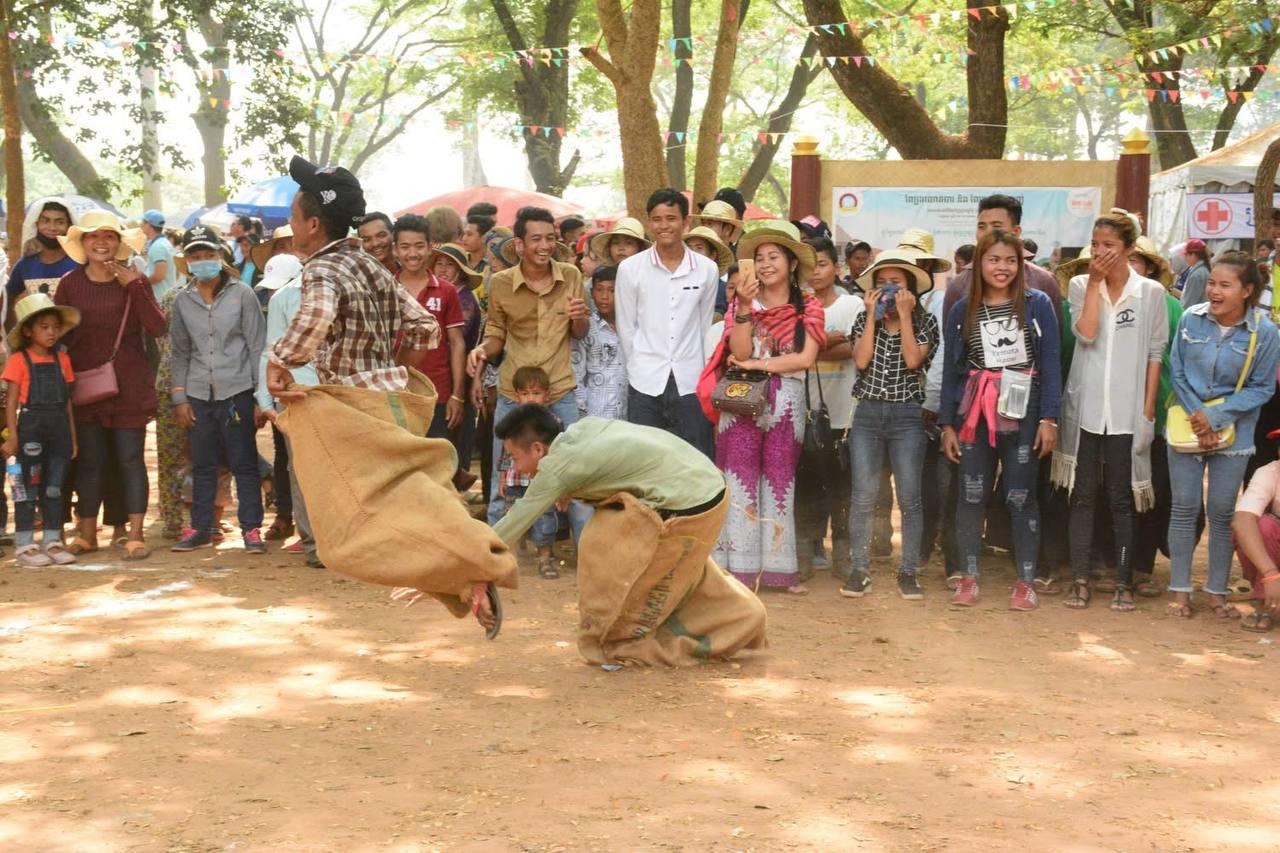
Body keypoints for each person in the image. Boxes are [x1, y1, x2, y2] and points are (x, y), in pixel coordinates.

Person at [491, 405, 767, 665]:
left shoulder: (557, 468)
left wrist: (475, 552)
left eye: (514, 458)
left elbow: (516, 521)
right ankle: (745, 618)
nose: (514, 468)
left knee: (628, 613)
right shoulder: (583, 429)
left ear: (538, 449)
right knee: (683, 579)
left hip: (689, 504)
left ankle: (639, 647)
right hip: (707, 485)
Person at [939, 230, 1062, 611]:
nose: (1003, 268)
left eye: (1011, 260)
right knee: (971, 495)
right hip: (974, 413)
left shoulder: (1037, 304)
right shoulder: (963, 309)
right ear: (979, 264)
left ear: (1021, 264)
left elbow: (1052, 362)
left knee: (1020, 496)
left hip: (1024, 413)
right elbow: (952, 369)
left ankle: (1025, 582)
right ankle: (968, 575)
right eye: (994, 260)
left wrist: (1049, 419)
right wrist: (947, 423)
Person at [1052, 212, 1168, 612]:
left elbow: (1155, 355)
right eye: (1095, 244)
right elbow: (1086, 334)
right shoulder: (1082, 285)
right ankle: (1080, 580)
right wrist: (1097, 283)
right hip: (1085, 409)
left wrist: (1148, 411)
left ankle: (1123, 581)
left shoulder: (1150, 292)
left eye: (1109, 246)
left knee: (1121, 498)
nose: (1099, 252)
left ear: (1129, 249)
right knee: (1081, 496)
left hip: (1127, 412)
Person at [709, 222, 824, 594]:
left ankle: (779, 570)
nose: (765, 264)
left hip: (786, 401)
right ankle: (737, 571)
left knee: (779, 484)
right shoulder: (742, 303)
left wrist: (760, 366)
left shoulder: (809, 305)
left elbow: (804, 358)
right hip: (741, 399)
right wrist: (743, 307)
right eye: (759, 258)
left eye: (774, 257)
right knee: (739, 483)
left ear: (792, 263)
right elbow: (738, 353)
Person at [267, 156, 439, 398]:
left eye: (293, 217)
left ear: (313, 224)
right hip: (387, 404)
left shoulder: (320, 268)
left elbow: (318, 316)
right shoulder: (370, 264)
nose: (290, 224)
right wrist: (391, 375)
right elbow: (425, 326)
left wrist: (278, 362)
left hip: (349, 404)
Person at [1166, 252, 1279, 619]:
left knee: (1221, 512)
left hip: (1236, 434)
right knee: (1184, 509)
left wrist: (1215, 417)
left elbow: (1261, 388)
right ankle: (1180, 591)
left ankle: (1217, 591)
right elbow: (1177, 370)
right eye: (1212, 282)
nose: (1213, 290)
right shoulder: (1189, 319)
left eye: (1224, 285)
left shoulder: (1266, 333)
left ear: (1247, 291)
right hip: (1187, 426)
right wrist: (1200, 416)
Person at [466, 205, 590, 537]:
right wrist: (480, 350)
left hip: (559, 390)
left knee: (574, 475)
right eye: (536, 239)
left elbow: (579, 332)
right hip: (513, 394)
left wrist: (580, 316)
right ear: (519, 244)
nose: (545, 246)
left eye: (550, 238)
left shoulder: (572, 276)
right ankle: (496, 553)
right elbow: (496, 335)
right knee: (501, 479)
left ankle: (588, 554)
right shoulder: (501, 284)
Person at [54, 210, 167, 559]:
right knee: (90, 461)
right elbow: (58, 332)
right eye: (93, 236)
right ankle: (87, 533)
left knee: (130, 459)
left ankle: (134, 534)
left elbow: (158, 327)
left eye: (109, 236)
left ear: (118, 244)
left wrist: (134, 286)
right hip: (85, 385)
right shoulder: (70, 283)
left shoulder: (136, 281)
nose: (101, 242)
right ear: (83, 243)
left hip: (129, 385)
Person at [842, 251, 937, 600]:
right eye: (882, 284)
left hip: (908, 415)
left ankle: (908, 571)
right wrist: (871, 317)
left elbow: (914, 359)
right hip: (867, 413)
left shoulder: (926, 322)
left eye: (896, 284)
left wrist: (907, 316)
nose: (887, 290)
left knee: (910, 498)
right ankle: (859, 570)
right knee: (863, 496)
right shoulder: (863, 318)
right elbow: (862, 359)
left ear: (911, 289)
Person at [168, 225, 268, 553]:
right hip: (198, 392)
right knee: (203, 463)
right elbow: (180, 352)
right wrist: (180, 397)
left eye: (208, 255)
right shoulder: (183, 301)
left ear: (220, 256)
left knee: (244, 463)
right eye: (195, 257)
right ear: (187, 261)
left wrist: (259, 397)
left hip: (237, 390)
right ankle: (200, 528)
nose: (202, 261)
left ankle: (252, 529)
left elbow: (256, 347)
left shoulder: (243, 294)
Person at [615, 189, 719, 458]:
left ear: (686, 222)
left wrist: (701, 373)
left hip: (690, 380)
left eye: (671, 218)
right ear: (649, 223)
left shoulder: (706, 269)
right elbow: (627, 327)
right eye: (657, 219)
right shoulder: (630, 269)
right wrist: (637, 367)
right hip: (645, 381)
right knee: (644, 463)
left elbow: (704, 326)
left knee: (696, 459)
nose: (664, 226)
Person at [794, 237, 864, 580]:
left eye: (822, 264)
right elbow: (790, 346)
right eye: (810, 266)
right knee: (806, 483)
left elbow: (855, 348)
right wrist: (832, 339)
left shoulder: (852, 306)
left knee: (842, 485)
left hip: (844, 412)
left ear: (835, 267)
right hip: (802, 410)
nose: (815, 272)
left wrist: (811, 346)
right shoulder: (795, 305)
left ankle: (843, 554)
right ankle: (805, 553)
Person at [256, 252, 323, 568]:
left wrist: (266, 400)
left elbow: (270, 353)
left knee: (302, 470)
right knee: (316, 469)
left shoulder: (282, 299)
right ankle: (320, 542)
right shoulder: (329, 290)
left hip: (296, 393)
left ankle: (315, 544)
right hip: (318, 393)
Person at [2, 294, 79, 566]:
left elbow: (68, 401)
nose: (51, 332)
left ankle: (52, 540)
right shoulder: (18, 361)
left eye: (55, 327)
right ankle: (25, 544)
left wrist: (72, 437)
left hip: (59, 430)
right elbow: (12, 401)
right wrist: (12, 436)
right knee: (27, 489)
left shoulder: (63, 360)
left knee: (54, 488)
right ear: (28, 330)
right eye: (44, 327)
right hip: (30, 431)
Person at [391, 215, 466, 442]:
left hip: (438, 393)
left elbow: (457, 344)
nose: (412, 253)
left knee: (438, 462)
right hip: (396, 392)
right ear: (395, 249)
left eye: (419, 246)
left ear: (430, 246)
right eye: (405, 247)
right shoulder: (384, 288)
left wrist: (457, 395)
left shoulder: (446, 290)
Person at [942, 194, 1063, 323]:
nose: (986, 233)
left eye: (996, 226)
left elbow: (1054, 338)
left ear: (1016, 232)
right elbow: (953, 339)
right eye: (981, 227)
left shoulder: (1044, 281)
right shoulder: (959, 285)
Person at [427, 242, 485, 490]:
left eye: (450, 265)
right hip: (444, 375)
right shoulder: (442, 293)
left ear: (460, 271)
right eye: (439, 263)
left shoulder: (464, 299)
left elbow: (455, 343)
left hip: (457, 378)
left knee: (452, 436)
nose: (443, 269)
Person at [495, 367, 561, 578]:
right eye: (525, 394)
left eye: (536, 393)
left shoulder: (553, 423)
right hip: (515, 481)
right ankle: (511, 562)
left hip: (541, 483)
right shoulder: (513, 423)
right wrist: (503, 477)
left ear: (547, 395)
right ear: (516, 396)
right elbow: (506, 454)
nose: (531, 398)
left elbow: (557, 454)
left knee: (545, 520)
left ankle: (545, 559)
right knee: (512, 518)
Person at [1231, 430, 1280, 632]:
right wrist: (1271, 575)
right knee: (1262, 527)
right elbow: (1241, 520)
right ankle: (1266, 602)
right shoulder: (1270, 472)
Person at [5, 198, 78, 331]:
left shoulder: (80, 264)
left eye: (60, 222)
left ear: (69, 227)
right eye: (45, 221)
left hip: (75, 347)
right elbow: (7, 300)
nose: (52, 228)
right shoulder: (24, 266)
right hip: (37, 349)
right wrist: (14, 333)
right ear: (36, 224)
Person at [572, 265, 627, 420]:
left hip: (629, 415)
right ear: (591, 292)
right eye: (599, 289)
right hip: (596, 414)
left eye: (612, 290)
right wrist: (581, 410)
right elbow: (576, 372)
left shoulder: (633, 326)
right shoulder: (585, 327)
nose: (604, 296)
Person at [140, 210, 178, 300]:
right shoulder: (165, 243)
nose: (141, 225)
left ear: (148, 224)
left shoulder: (158, 246)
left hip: (159, 298)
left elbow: (159, 275)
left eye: (143, 222)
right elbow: (177, 273)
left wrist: (142, 284)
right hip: (165, 296)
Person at [1176, 239, 1212, 306]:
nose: (1185, 258)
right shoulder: (1203, 270)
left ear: (1193, 255)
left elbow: (1189, 302)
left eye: (1186, 255)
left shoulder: (1197, 275)